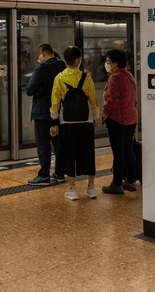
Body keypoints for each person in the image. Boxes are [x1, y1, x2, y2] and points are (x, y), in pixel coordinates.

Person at [50, 45, 100, 201]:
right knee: (88, 153)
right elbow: (93, 99)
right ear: (78, 60)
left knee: (69, 154)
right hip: (86, 121)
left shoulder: (59, 78)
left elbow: (55, 103)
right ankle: (91, 188)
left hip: (67, 123)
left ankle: (72, 190)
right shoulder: (86, 77)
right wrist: (95, 117)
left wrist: (54, 120)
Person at [25, 43, 67, 185]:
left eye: (39, 56)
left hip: (42, 112)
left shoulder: (42, 67)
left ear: (42, 53)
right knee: (58, 143)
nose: (39, 59)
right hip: (58, 112)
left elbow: (30, 89)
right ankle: (59, 173)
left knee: (43, 144)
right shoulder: (62, 65)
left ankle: (43, 176)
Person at [101, 49, 138, 195]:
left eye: (108, 62)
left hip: (117, 120)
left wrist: (104, 114)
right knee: (128, 150)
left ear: (115, 63)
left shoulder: (115, 78)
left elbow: (112, 102)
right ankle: (130, 181)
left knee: (118, 153)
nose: (106, 64)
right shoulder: (129, 76)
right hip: (131, 119)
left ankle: (117, 184)